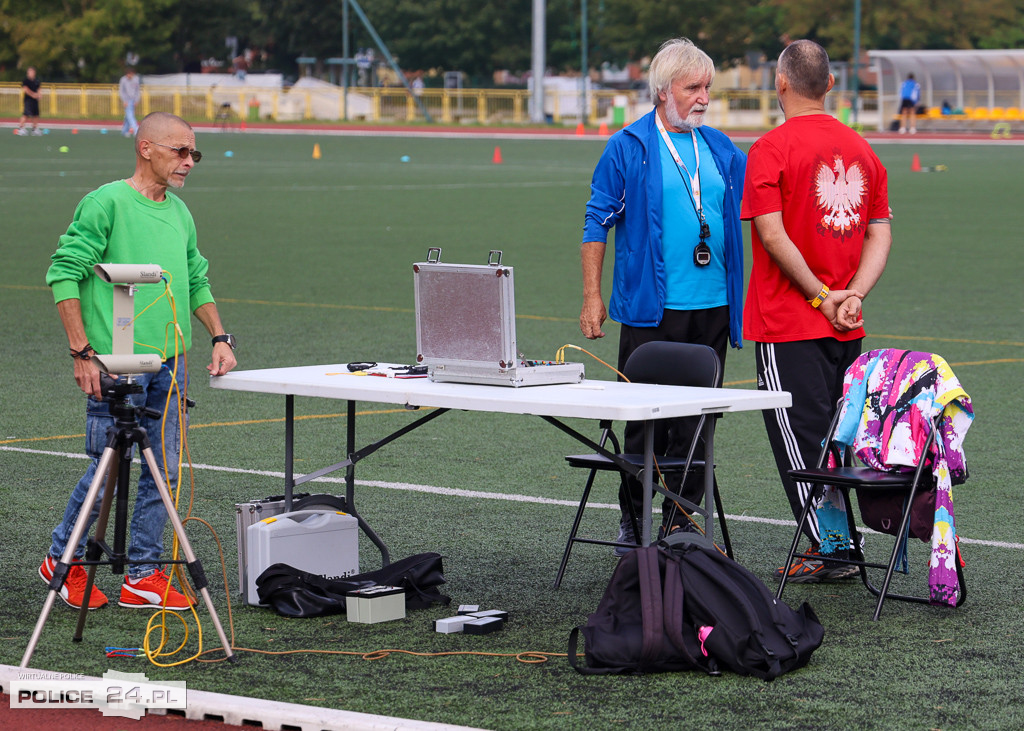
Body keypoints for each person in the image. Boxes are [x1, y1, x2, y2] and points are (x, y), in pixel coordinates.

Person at [42, 112, 238, 610]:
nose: (189, 162)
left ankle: (143, 575)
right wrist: (81, 352)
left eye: (195, 154)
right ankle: (60, 559)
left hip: (170, 364)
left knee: (163, 469)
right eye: (180, 151)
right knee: (107, 467)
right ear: (146, 147)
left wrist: (219, 335)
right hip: (114, 362)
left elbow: (196, 277)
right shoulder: (105, 202)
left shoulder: (180, 212)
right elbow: (64, 274)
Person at [580, 38, 746, 553]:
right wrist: (592, 296)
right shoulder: (628, 146)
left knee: (697, 422)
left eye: (707, 88)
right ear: (662, 90)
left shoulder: (719, 147)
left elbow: (761, 207)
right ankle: (633, 517)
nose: (703, 97)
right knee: (642, 422)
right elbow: (596, 221)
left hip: (713, 307)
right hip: (650, 311)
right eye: (692, 87)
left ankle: (680, 521)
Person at [741, 40, 891, 582]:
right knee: (837, 433)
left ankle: (834, 548)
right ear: (831, 85)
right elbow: (880, 230)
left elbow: (771, 233)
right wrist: (853, 295)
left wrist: (821, 296)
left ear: (780, 84)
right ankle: (841, 542)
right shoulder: (864, 149)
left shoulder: (770, 149)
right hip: (846, 322)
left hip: (790, 323)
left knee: (801, 442)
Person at [17, 67, 42, 136]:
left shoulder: (37, 81)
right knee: (26, 114)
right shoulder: (26, 81)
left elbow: (39, 88)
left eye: (33, 72)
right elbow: (25, 89)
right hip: (28, 100)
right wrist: (33, 94)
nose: (32, 73)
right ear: (28, 73)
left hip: (35, 100)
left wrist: (39, 95)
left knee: (36, 115)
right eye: (30, 72)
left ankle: (35, 129)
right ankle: (21, 128)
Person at [118, 67, 141, 138]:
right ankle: (136, 130)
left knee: (128, 116)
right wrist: (124, 100)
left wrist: (137, 100)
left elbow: (137, 91)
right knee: (130, 116)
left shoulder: (136, 79)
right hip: (127, 100)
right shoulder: (123, 80)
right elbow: (121, 91)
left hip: (133, 100)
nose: (130, 76)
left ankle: (124, 131)